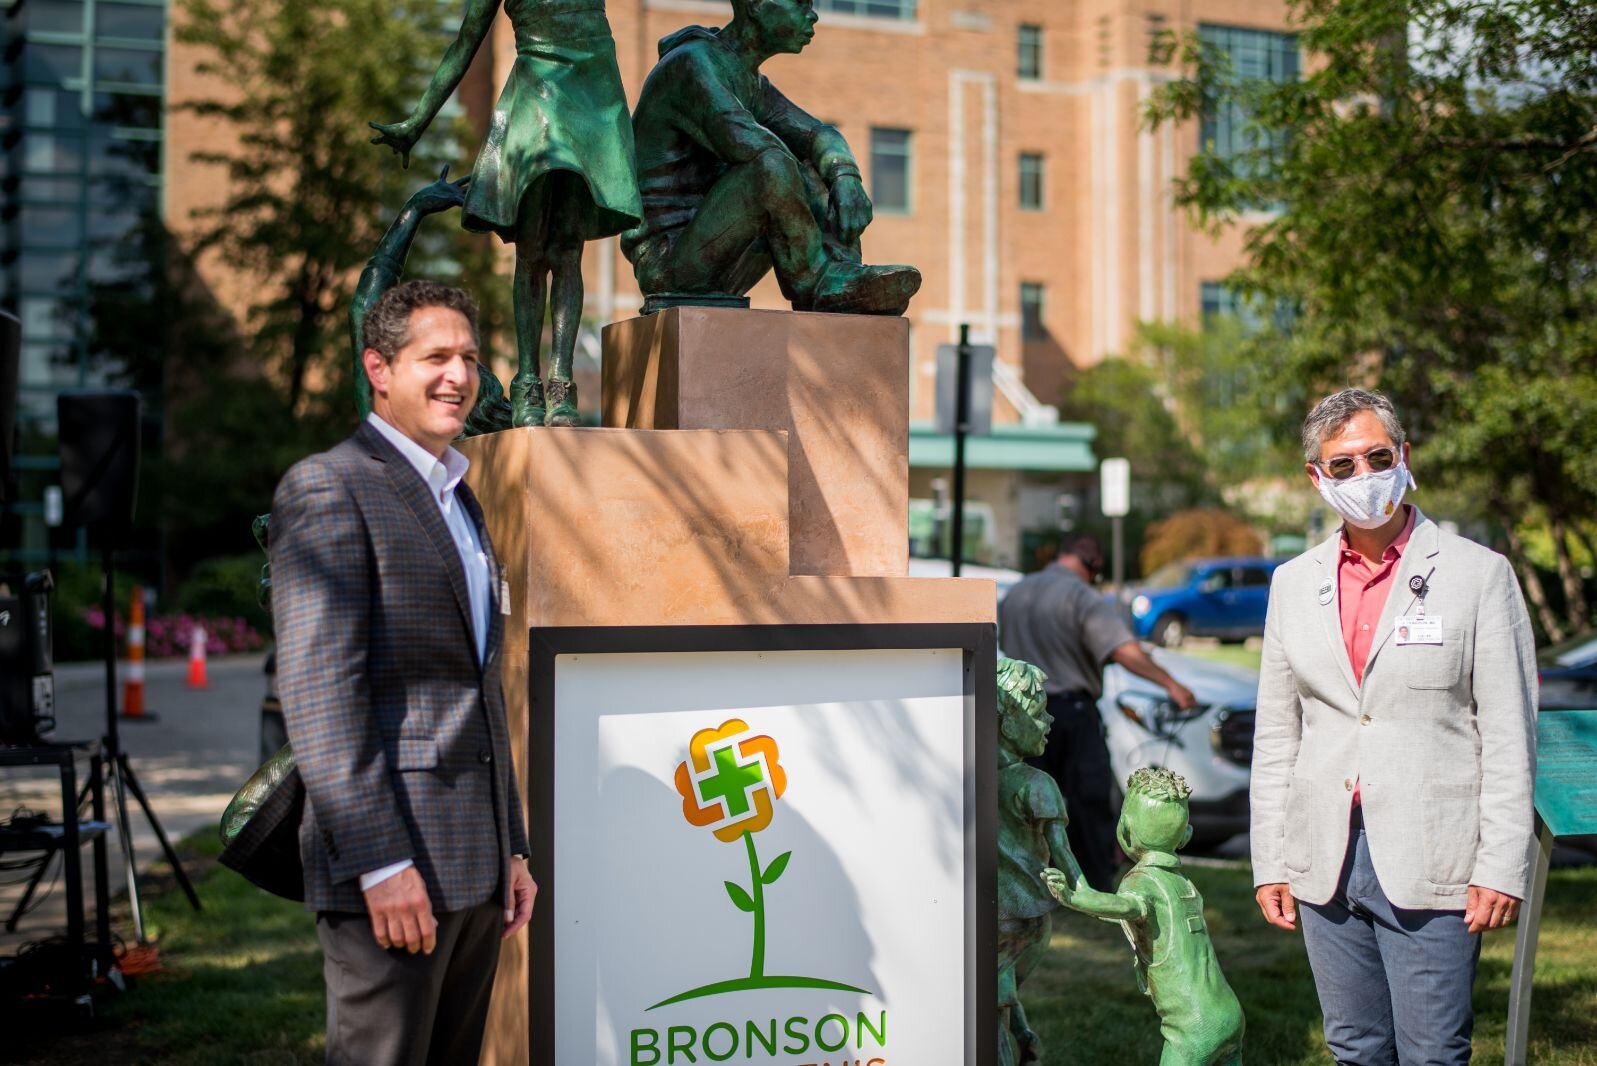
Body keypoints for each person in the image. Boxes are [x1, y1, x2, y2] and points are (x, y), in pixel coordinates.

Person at [271, 280, 537, 1066]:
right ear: (379, 369)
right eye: (436, 357)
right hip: (393, 871)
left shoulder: (462, 499)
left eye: (469, 358)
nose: (458, 375)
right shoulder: (329, 487)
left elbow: (478, 688)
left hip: (476, 868)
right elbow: (322, 698)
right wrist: (380, 864)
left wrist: (512, 848)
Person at [1252, 388, 1536, 1066]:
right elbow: (1277, 735)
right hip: (1323, 857)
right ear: (1315, 478)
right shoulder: (1292, 584)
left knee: (1433, 1053)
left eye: (1376, 457)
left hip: (1433, 854)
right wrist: (1271, 860)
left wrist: (1501, 865)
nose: (1362, 476)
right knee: (1353, 1048)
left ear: (1403, 458)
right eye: (1341, 465)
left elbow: (1507, 734)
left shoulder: (1477, 575)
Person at [371, 0, 643, 428]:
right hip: (538, 95)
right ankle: (528, 382)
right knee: (533, 249)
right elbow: (466, 42)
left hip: (592, 93)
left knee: (568, 247)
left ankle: (561, 384)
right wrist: (417, 121)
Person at [622, 0, 921, 315]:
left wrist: (845, 175)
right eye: (800, 4)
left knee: (815, 165)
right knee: (773, 165)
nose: (812, 15)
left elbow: (819, 134)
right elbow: (748, 146)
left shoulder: (749, 80)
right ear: (755, 5)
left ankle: (842, 273)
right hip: (670, 261)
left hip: (722, 255)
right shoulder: (691, 65)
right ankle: (818, 282)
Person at [999, 534, 1197, 890]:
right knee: (1088, 800)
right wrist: (1172, 685)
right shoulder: (1080, 596)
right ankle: (1094, 883)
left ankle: (1032, 881)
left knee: (1028, 804)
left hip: (1021, 715)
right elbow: (1125, 651)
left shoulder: (1017, 593)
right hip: (1071, 714)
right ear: (1091, 563)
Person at [1044, 767, 1245, 1066]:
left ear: (1124, 828)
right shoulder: (1183, 884)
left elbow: (1124, 907)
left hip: (1194, 1025)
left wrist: (1074, 898)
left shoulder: (1142, 882)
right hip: (1229, 1011)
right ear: (1186, 835)